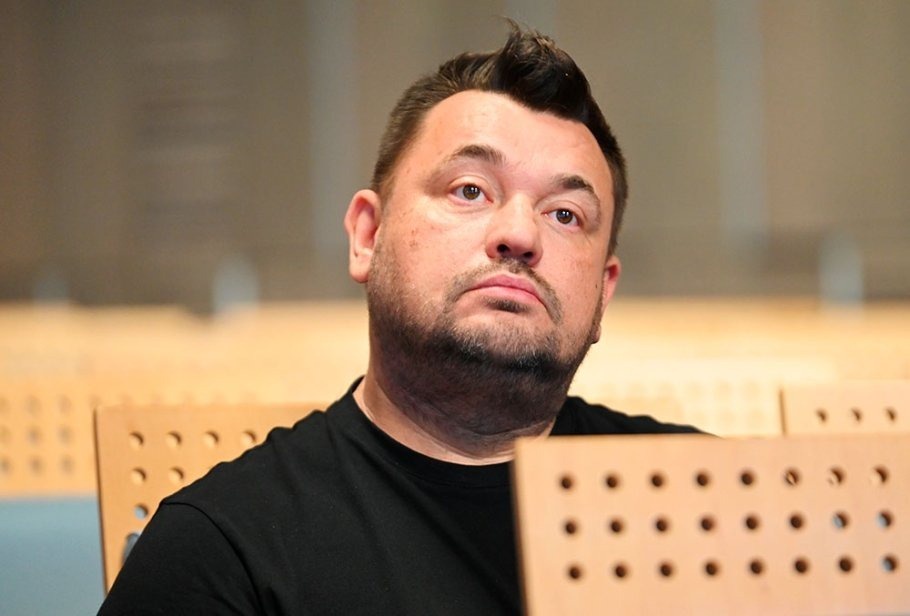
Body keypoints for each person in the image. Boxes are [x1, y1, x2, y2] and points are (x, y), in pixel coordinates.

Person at [98, 23, 699, 615]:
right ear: (368, 236)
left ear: (603, 292)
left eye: (565, 214)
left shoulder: (706, 506)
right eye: (470, 190)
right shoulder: (221, 553)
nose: (520, 234)